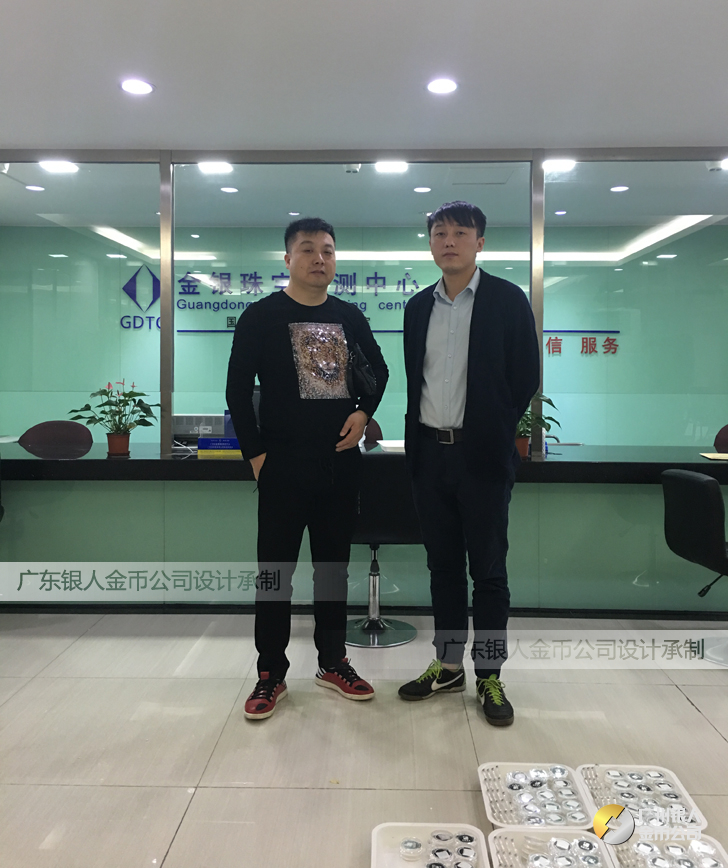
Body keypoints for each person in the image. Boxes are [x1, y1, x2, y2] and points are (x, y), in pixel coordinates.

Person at [226, 217, 389, 720]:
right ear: (288, 258)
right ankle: (270, 671)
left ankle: (333, 661)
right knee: (275, 574)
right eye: (308, 249)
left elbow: (379, 371)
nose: (320, 258)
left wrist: (364, 411)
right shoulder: (261, 316)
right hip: (281, 466)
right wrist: (256, 456)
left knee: (332, 571)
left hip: (339, 466)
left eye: (328, 250)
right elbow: (236, 391)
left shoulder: (349, 316)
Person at [398, 201, 539, 726]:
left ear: (479, 242)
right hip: (429, 456)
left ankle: (490, 674)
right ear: (430, 243)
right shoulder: (418, 307)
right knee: (443, 569)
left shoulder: (507, 299)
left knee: (489, 572)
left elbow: (525, 376)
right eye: (440, 232)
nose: (449, 240)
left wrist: (493, 427)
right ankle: (449, 665)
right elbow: (417, 378)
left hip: (482, 457)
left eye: (460, 232)